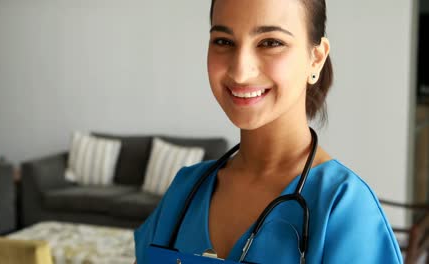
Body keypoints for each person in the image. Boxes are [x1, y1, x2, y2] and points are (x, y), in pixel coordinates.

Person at [134, 0, 403, 263]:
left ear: (316, 58)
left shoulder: (344, 208)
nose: (240, 72)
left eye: (270, 42)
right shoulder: (185, 189)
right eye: (224, 42)